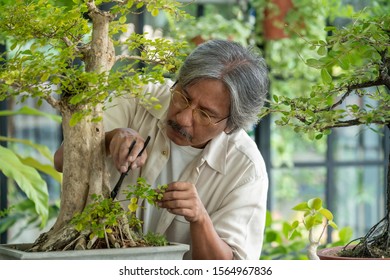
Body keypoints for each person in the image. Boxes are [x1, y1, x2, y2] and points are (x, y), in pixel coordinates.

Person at [54, 39, 269, 260]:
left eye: (205, 114)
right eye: (183, 97)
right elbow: (62, 161)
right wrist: (108, 139)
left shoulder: (246, 169)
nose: (183, 118)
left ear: (231, 125)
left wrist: (199, 218)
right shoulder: (138, 96)